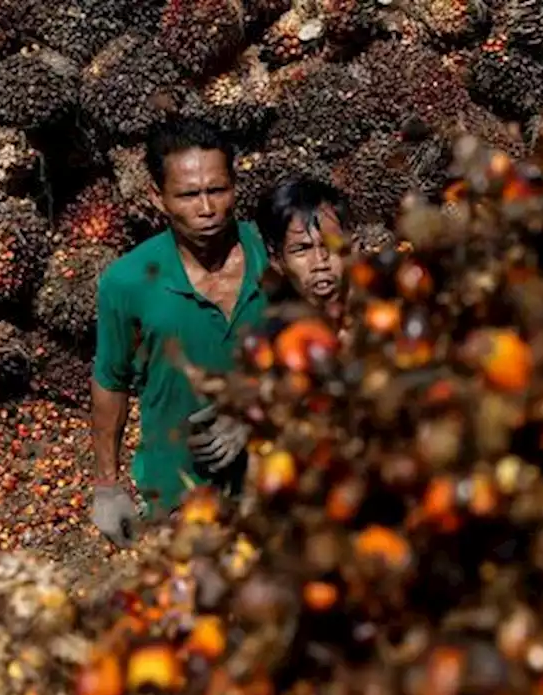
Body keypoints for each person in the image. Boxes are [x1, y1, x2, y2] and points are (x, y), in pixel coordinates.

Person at [89, 116, 268, 547]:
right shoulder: (127, 282)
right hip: (178, 492)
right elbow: (110, 381)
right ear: (158, 197)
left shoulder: (271, 251)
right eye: (188, 195)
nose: (206, 209)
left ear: (235, 186)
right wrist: (107, 487)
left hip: (275, 476)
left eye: (217, 190)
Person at [253, 176, 353, 326]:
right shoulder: (276, 341)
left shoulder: (386, 318)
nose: (320, 262)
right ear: (276, 260)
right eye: (302, 249)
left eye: (331, 245)